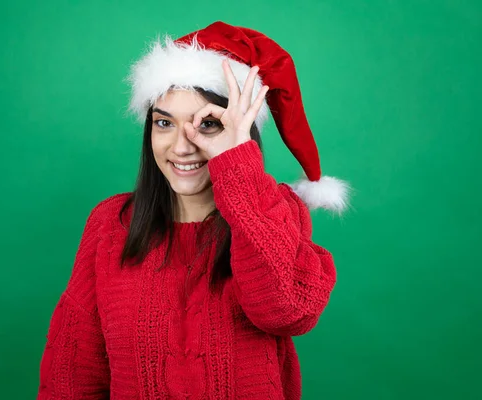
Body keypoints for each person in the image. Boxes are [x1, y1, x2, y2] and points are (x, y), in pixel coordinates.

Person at [37, 21, 349, 400]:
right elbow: (73, 373)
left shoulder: (278, 212)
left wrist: (237, 167)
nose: (183, 146)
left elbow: (287, 310)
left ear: (242, 134)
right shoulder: (111, 224)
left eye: (209, 124)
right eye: (164, 123)